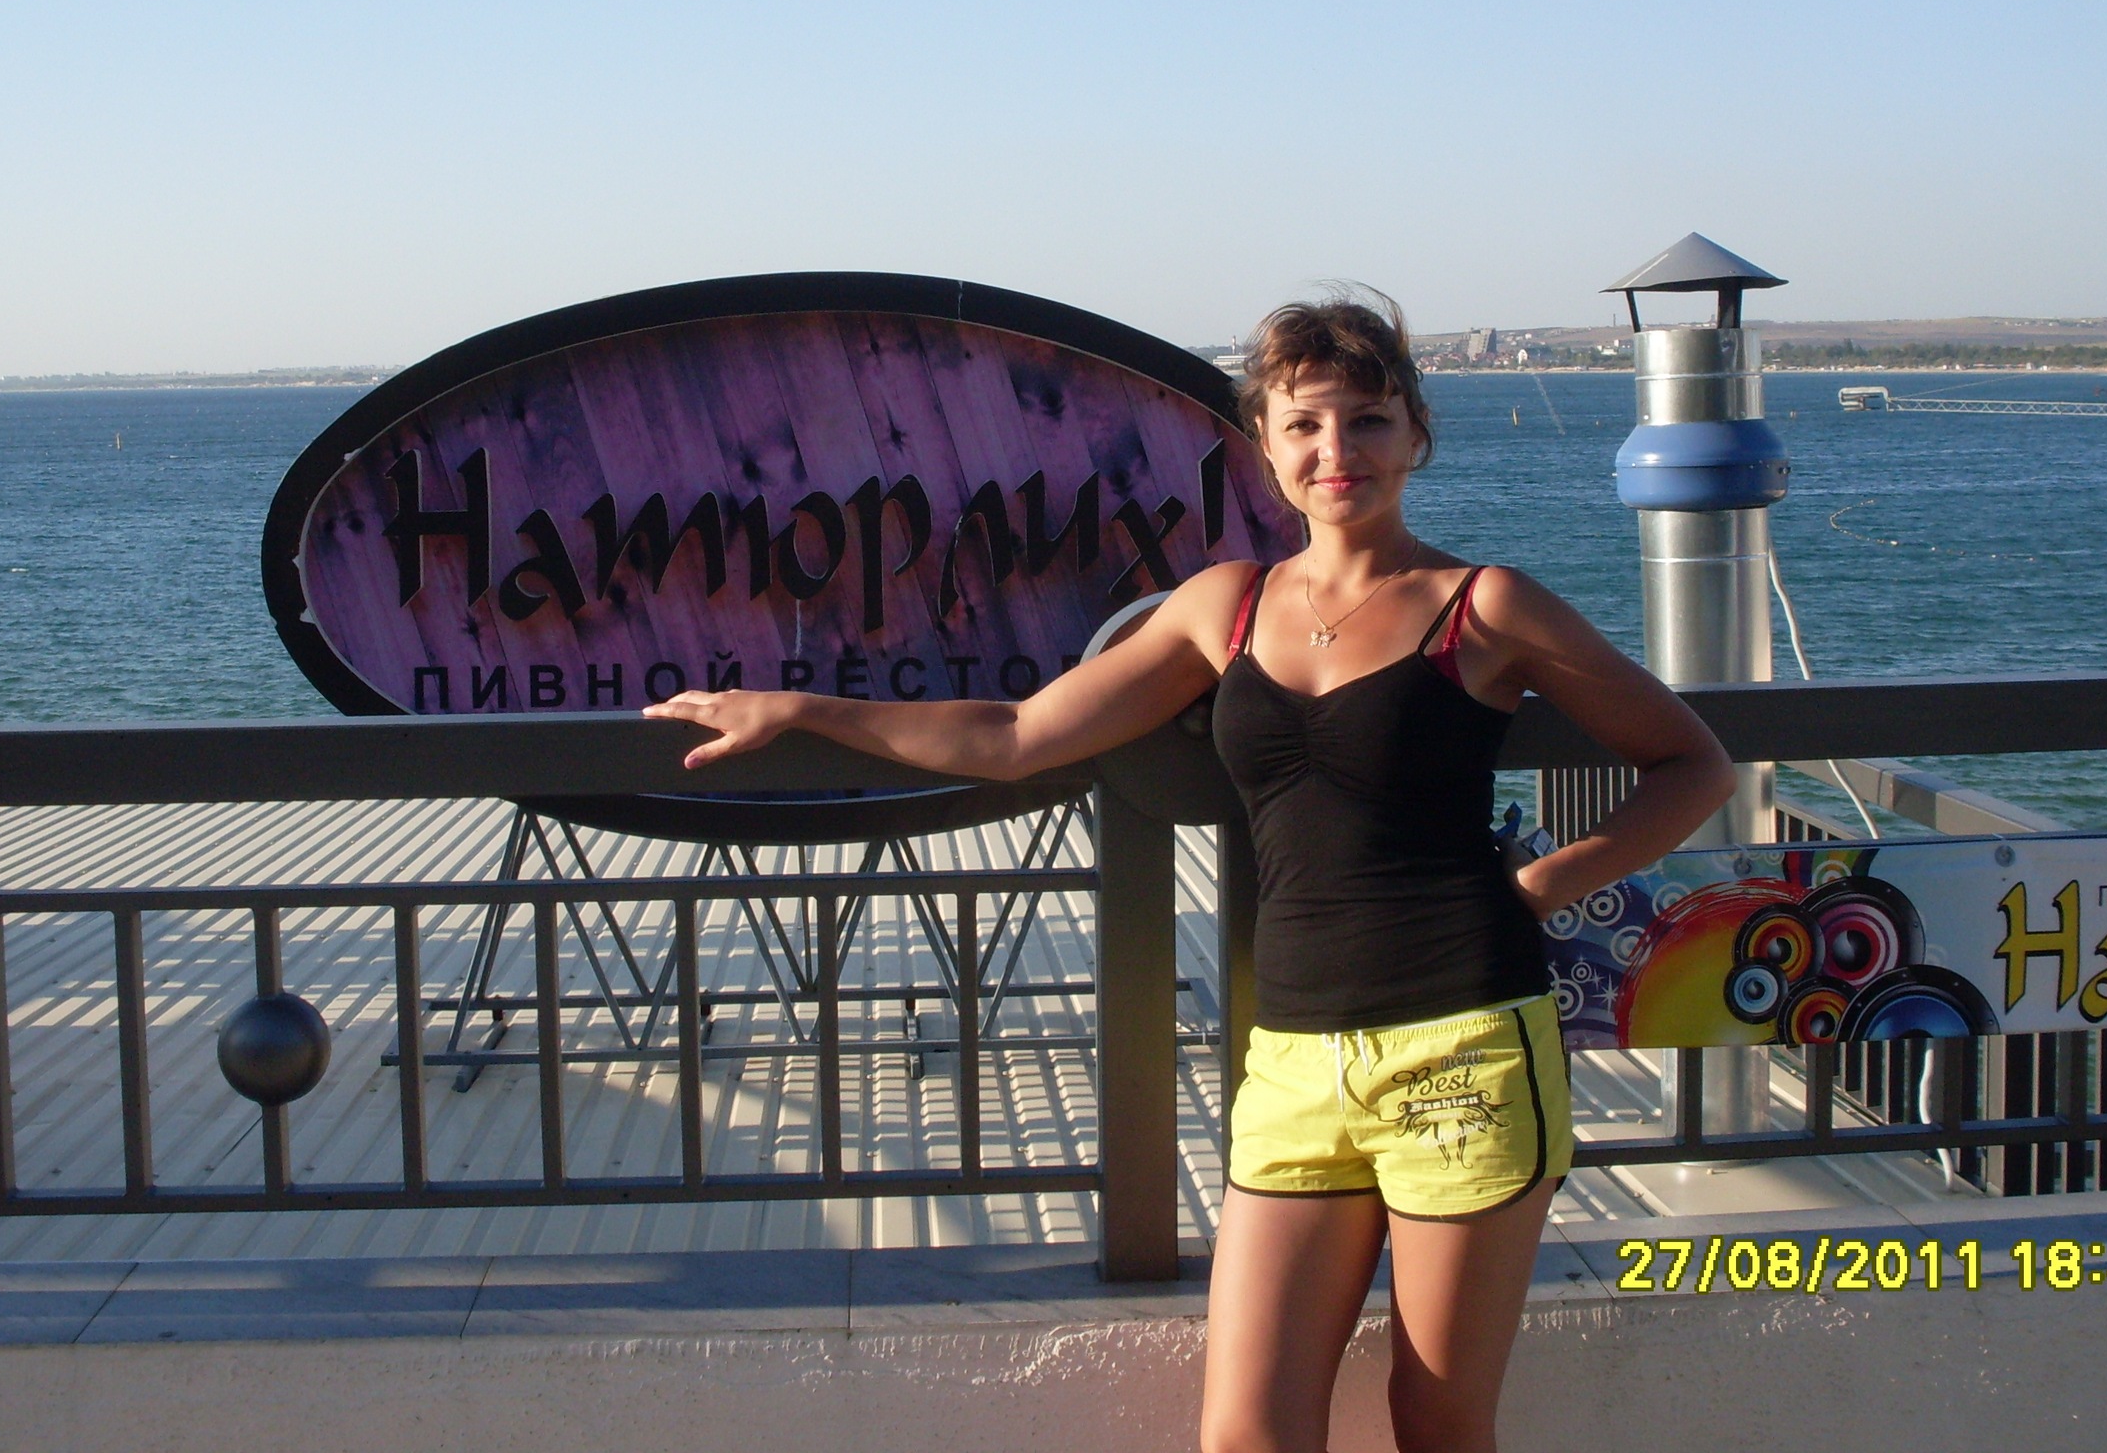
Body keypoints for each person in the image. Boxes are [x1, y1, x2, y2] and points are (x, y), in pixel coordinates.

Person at [648, 291, 1735, 1453]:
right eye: (1304, 425)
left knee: (1434, 1417)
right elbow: (1017, 736)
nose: (1336, 450)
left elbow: (1692, 765)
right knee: (1246, 1431)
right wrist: (804, 709)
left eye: (1366, 420)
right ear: (1265, 444)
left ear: (1413, 434)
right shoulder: (1224, 607)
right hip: (1293, 1062)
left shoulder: (1483, 605)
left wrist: (1537, 887)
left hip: (1462, 1052)